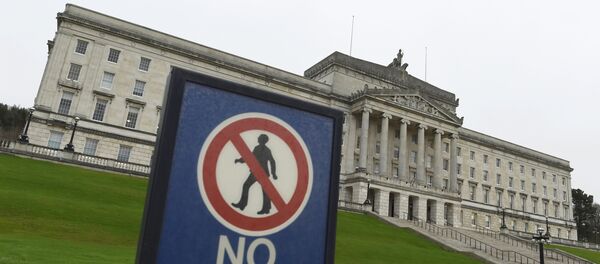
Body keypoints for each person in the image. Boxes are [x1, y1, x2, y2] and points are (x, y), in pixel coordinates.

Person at [231, 134, 277, 214]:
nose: (257, 138)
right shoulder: (257, 148)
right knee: (246, 185)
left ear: (262, 140)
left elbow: (272, 161)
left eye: (259, 138)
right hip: (255, 172)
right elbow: (250, 157)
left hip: (263, 173)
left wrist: (274, 173)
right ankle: (242, 205)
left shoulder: (267, 150)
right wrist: (240, 160)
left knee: (265, 191)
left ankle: (266, 209)